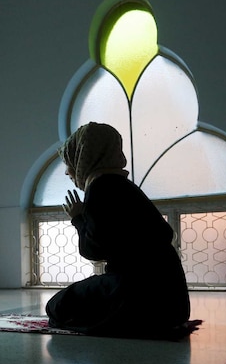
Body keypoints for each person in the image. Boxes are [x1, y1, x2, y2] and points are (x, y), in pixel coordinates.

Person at [45, 122, 200, 340]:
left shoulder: (100, 188)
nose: (68, 170)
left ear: (84, 156)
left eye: (72, 159)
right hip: (172, 305)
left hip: (139, 300)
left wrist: (78, 218)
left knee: (56, 307)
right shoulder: (125, 187)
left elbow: (93, 250)